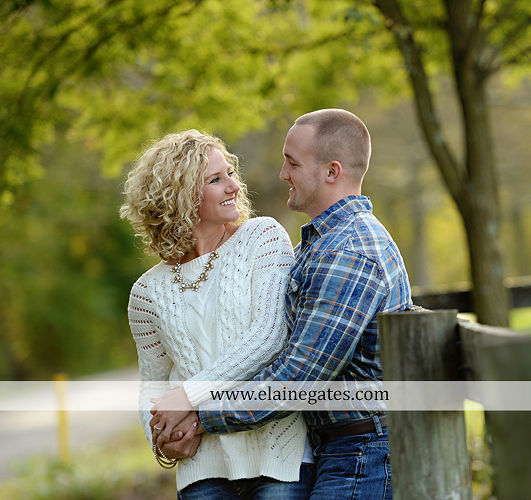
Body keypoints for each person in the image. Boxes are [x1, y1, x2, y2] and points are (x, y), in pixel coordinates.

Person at [155, 109, 413, 500]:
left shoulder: (348, 252)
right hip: (342, 448)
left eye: (292, 163)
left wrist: (199, 415)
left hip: (363, 453)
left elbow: (296, 379)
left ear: (331, 172)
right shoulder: (320, 246)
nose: (282, 174)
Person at [120, 130, 314, 500]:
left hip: (278, 461)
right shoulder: (146, 292)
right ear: (179, 195)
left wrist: (189, 396)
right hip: (202, 475)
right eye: (215, 179)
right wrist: (163, 445)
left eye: (230, 173)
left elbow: (271, 337)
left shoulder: (263, 238)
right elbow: (153, 388)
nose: (234, 186)